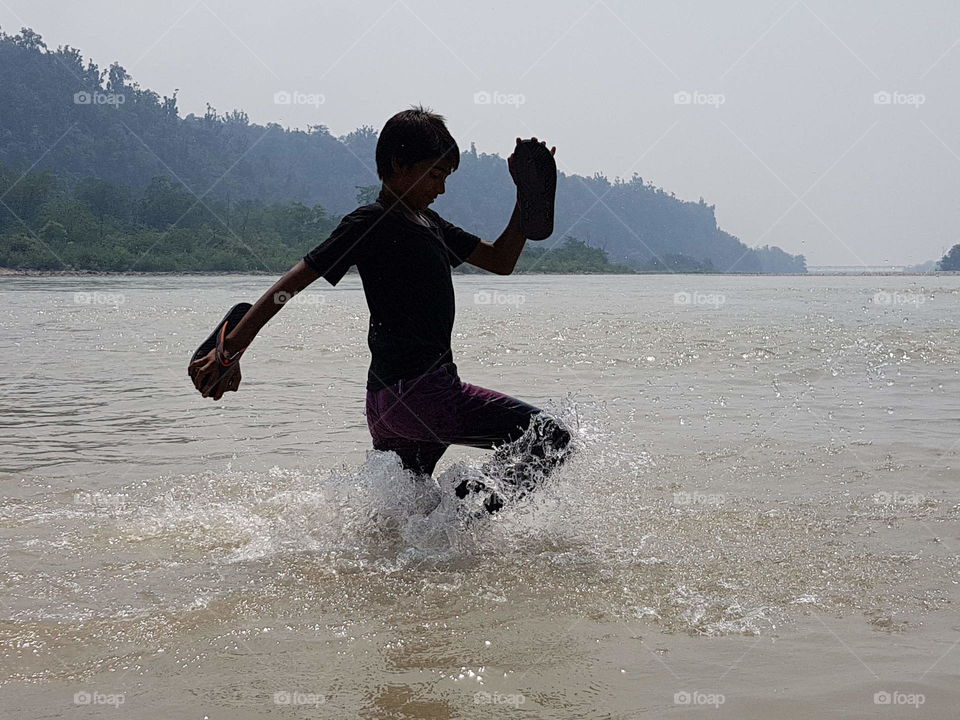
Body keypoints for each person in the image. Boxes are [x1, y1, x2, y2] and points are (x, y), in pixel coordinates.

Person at [190, 105, 572, 513]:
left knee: (412, 519)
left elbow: (501, 260)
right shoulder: (371, 221)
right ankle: (470, 510)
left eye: (446, 177)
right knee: (550, 438)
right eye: (435, 175)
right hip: (426, 396)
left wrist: (526, 198)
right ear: (398, 164)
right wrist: (231, 351)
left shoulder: (431, 224)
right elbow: (290, 286)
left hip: (388, 405)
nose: (441, 188)